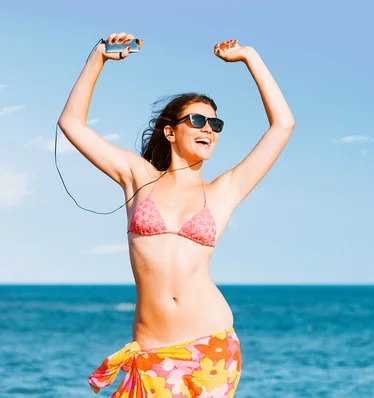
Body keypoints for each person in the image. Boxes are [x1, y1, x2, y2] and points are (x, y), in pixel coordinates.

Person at [58, 32, 295, 397]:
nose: (208, 130)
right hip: (152, 353)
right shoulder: (137, 177)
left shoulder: (224, 190)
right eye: (198, 121)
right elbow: (72, 124)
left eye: (215, 125)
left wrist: (250, 58)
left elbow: (283, 125)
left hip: (211, 349)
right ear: (170, 131)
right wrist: (98, 58)